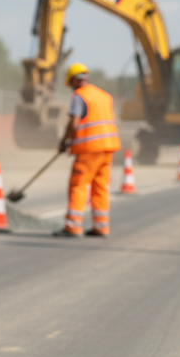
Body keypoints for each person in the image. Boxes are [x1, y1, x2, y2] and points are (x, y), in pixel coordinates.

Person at [56, 63, 121, 237]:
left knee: (78, 185)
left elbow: (74, 123)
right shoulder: (104, 96)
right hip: (108, 149)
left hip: (89, 150)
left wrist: (64, 141)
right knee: (100, 187)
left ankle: (72, 225)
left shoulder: (79, 96)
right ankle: (101, 226)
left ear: (73, 81)